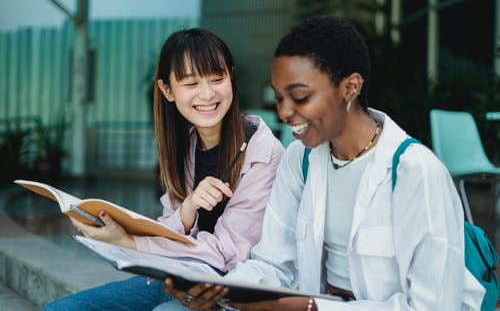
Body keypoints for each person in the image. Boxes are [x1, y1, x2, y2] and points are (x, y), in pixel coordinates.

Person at [159, 17, 485, 311]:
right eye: (279, 97)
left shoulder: (417, 173)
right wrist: (221, 288)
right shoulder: (299, 160)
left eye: (299, 97)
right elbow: (272, 263)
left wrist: (311, 307)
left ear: (350, 88)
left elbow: (433, 307)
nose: (285, 113)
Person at [42, 28, 284, 310]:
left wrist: (130, 242)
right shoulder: (187, 146)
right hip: (177, 276)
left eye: (217, 79)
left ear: (231, 76)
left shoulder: (263, 152)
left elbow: (227, 253)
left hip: (229, 288)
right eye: (191, 84)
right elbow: (168, 227)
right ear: (167, 90)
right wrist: (186, 209)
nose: (207, 94)